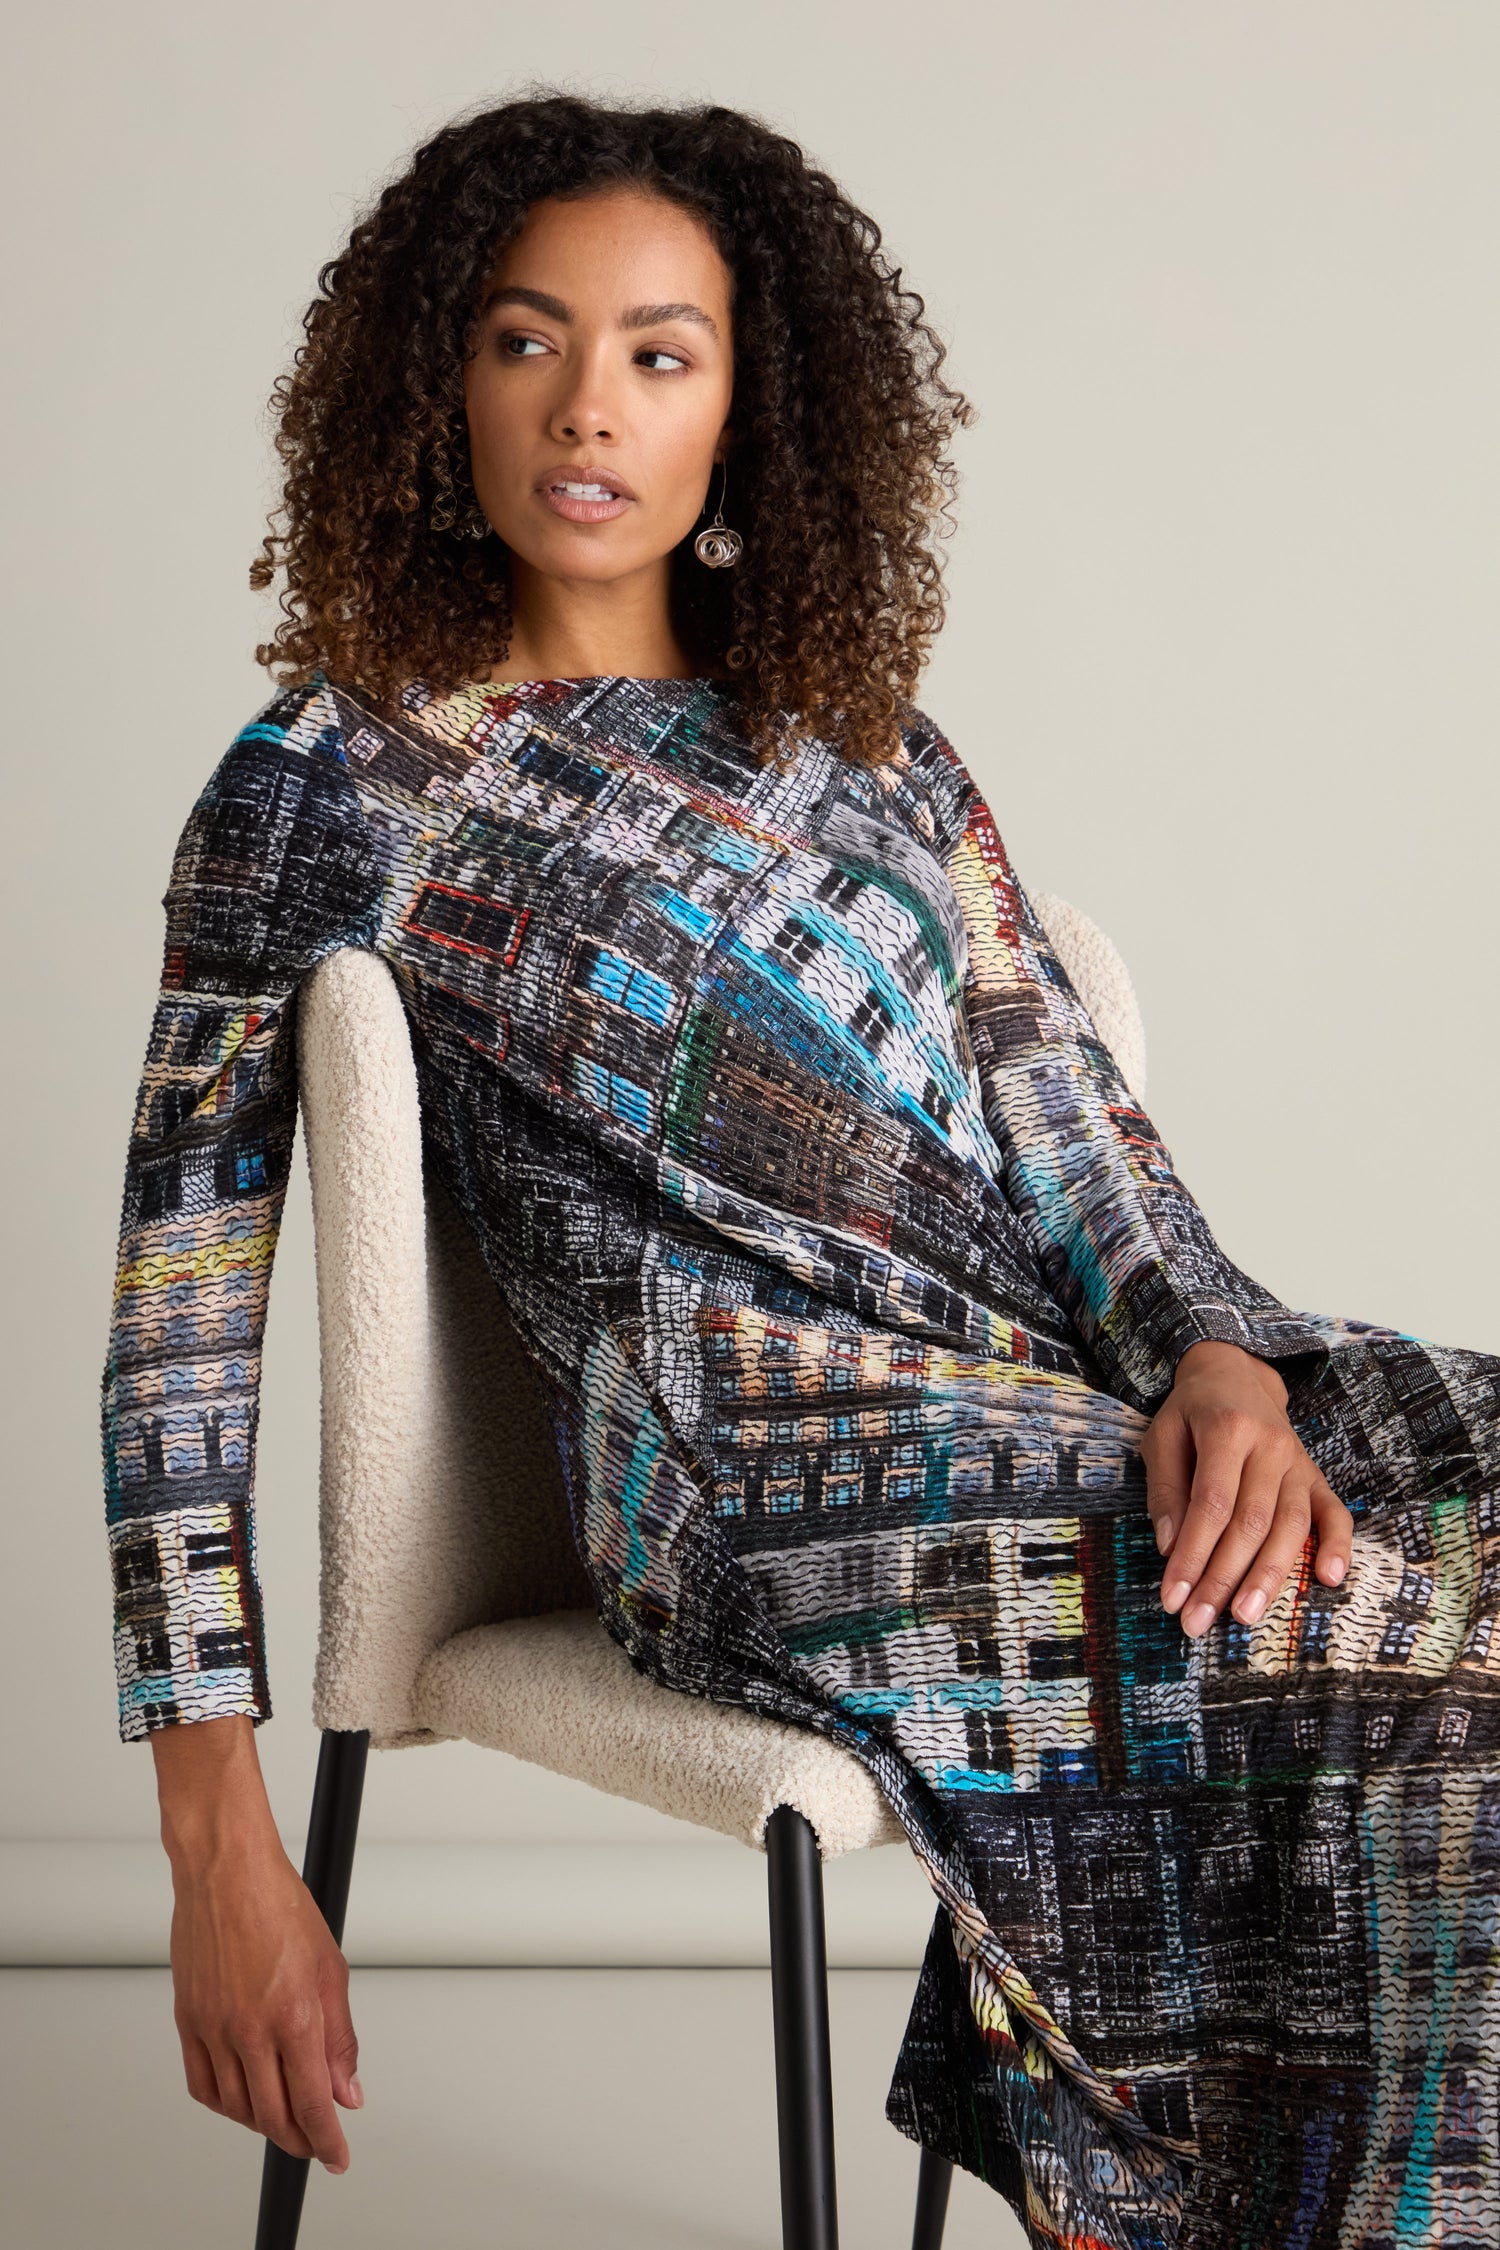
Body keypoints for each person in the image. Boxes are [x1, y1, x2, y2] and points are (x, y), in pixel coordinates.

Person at [98, 91, 1500, 2250]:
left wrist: (1221, 1362)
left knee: (1462, 1489)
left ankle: (1271, 2182)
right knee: (1310, 1605)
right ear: (433, 376)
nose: (589, 408)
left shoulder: (875, 749)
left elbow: (1071, 1130)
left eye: (662, 352)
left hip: (1039, 1393)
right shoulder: (330, 775)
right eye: (525, 338)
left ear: (750, 406)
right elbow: (179, 1329)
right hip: (735, 1477)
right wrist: (215, 1842)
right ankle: (1148, 2189)